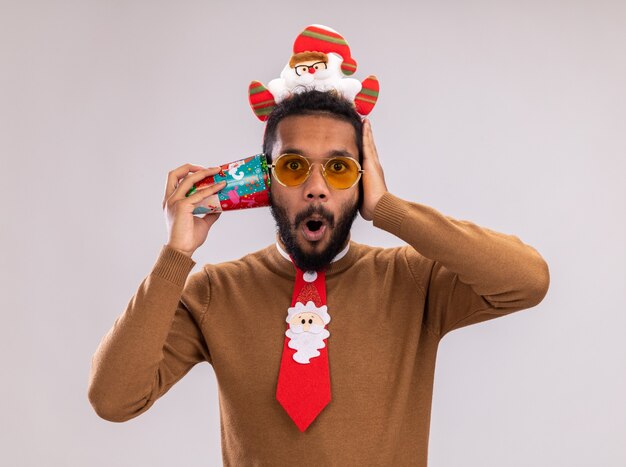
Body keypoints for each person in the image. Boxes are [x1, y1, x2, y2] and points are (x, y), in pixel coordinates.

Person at [88, 90, 550, 466]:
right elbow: (113, 399)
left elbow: (527, 280)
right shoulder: (214, 292)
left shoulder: (411, 280)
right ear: (264, 181)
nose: (315, 186)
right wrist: (177, 255)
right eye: (293, 166)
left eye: (339, 168)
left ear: (362, 181)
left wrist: (388, 210)